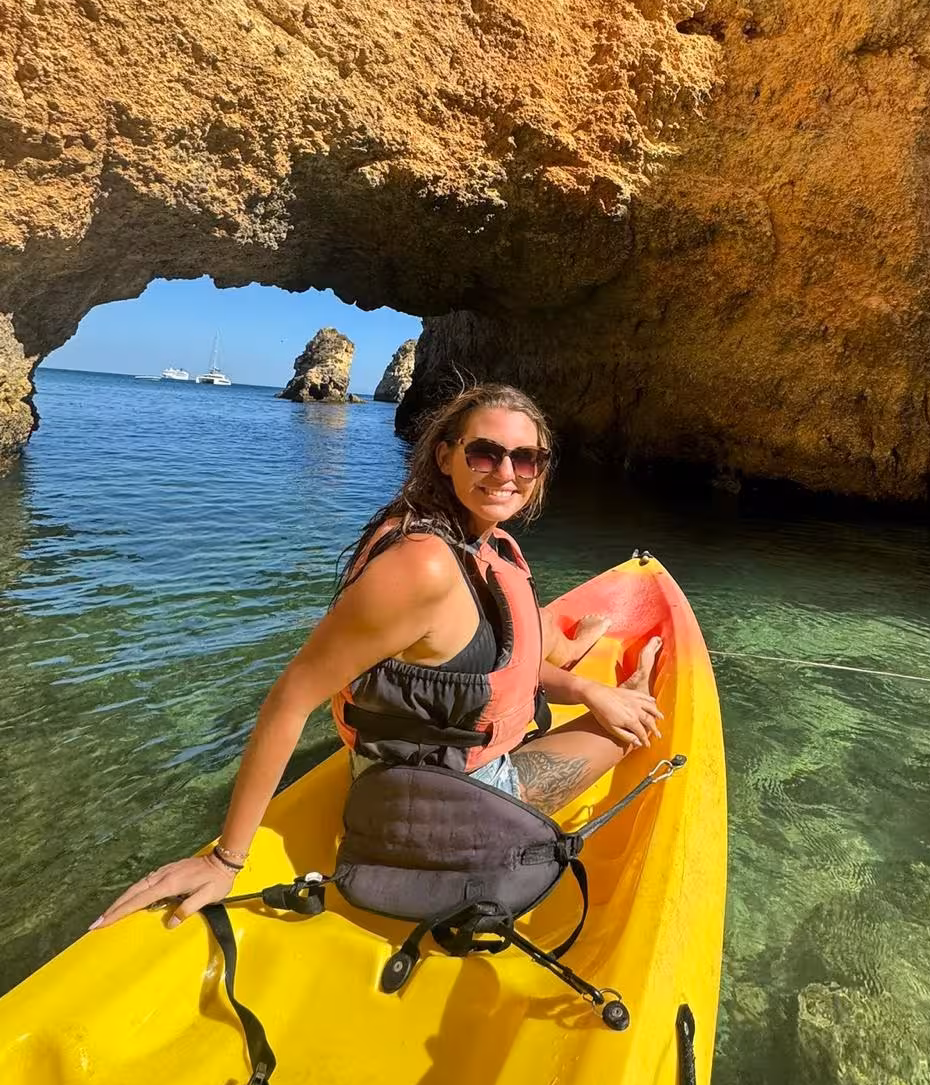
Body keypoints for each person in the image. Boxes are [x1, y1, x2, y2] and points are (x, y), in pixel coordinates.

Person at [91, 384, 663, 932]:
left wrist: (587, 688)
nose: (507, 473)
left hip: (436, 765)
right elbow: (291, 699)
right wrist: (225, 860)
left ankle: (573, 656)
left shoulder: (473, 541)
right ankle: (618, 684)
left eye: (526, 458)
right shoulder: (425, 565)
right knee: (635, 723)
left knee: (590, 687)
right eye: (485, 453)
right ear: (446, 456)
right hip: (446, 803)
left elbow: (490, 669)